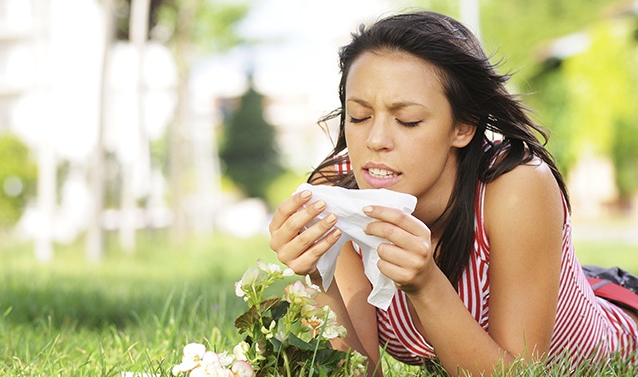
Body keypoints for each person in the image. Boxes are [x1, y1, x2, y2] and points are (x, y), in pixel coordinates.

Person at [268, 10, 638, 377]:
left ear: (463, 126)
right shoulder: (339, 197)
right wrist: (319, 278)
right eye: (359, 117)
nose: (375, 140)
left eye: (407, 120)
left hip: (619, 340)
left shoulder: (515, 186)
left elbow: (520, 374)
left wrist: (426, 284)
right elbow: (359, 372)